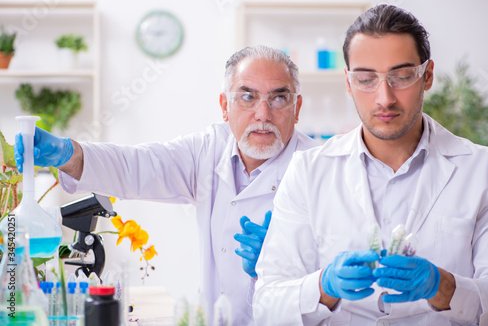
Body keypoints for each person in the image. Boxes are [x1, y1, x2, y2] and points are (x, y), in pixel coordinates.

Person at [14, 45, 319, 325]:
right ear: (225, 106)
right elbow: (136, 166)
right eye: (248, 97)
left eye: (279, 98)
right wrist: (69, 154)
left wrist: (280, 266)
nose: (263, 114)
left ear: (298, 106)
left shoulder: (321, 171)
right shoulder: (209, 149)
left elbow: (338, 287)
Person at [253, 4, 488, 325]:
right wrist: (322, 287)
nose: (384, 97)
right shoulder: (308, 171)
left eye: (401, 76)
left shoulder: (486, 170)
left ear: (427, 75)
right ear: (347, 82)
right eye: (366, 79)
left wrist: (445, 288)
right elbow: (266, 305)